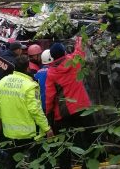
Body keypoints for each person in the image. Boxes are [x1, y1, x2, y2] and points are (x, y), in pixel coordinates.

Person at [0, 55, 54, 168]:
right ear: (27, 68)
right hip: (29, 134)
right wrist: (47, 128)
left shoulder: (3, 81)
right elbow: (35, 109)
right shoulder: (30, 86)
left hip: (9, 132)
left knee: (12, 162)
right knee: (40, 160)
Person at [45, 37, 92, 169]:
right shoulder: (74, 61)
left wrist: (48, 114)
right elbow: (80, 51)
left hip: (64, 113)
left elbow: (50, 96)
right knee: (89, 139)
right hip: (82, 107)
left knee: (64, 144)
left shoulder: (51, 73)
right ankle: (88, 165)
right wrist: (79, 39)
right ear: (64, 52)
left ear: (52, 57)